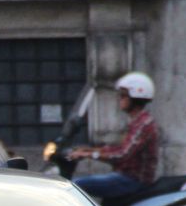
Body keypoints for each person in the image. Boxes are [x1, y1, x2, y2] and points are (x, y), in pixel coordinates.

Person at [68, 71, 159, 199]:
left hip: (133, 180)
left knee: (76, 185)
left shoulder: (144, 124)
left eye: (123, 96)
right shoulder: (136, 122)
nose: (119, 99)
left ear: (135, 97)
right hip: (125, 176)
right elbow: (119, 148)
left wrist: (90, 155)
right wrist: (88, 150)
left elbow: (122, 154)